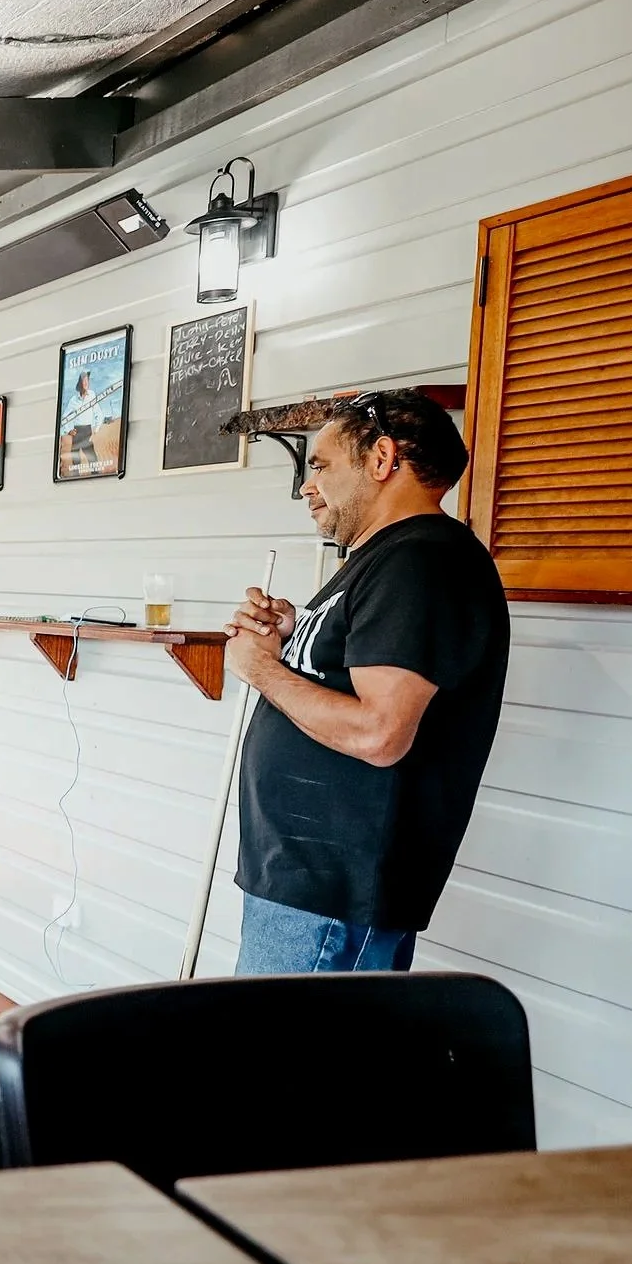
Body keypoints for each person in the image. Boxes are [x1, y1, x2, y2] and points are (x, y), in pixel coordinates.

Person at [223, 389, 509, 974]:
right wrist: (294, 635)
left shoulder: (421, 562)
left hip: (332, 893)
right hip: (307, 885)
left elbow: (380, 733)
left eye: (321, 465)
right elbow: (355, 678)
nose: (306, 485)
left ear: (381, 460)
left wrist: (261, 670)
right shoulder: (384, 559)